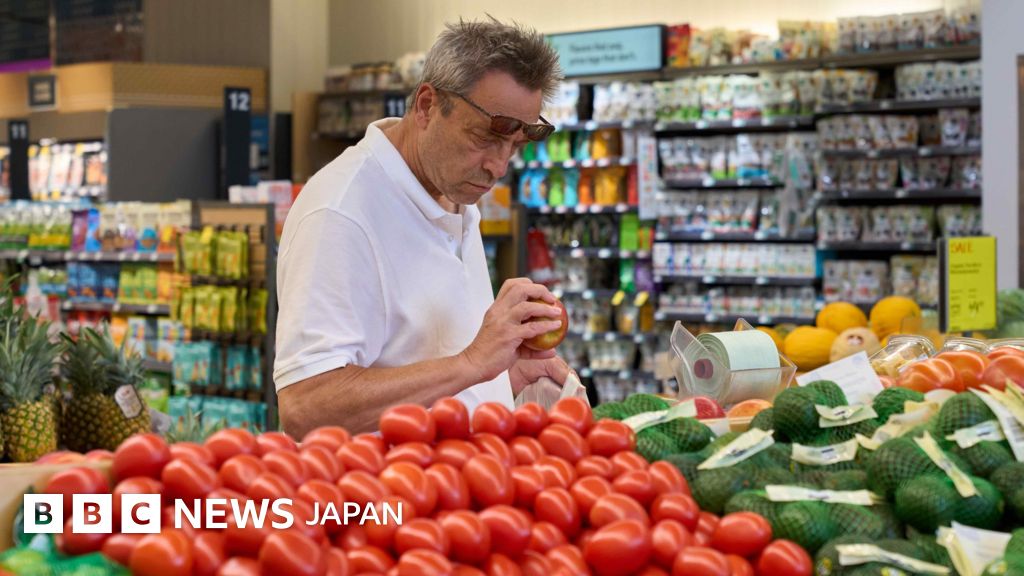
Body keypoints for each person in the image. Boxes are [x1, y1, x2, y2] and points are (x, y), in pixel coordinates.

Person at [274, 17, 571, 437]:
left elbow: (428, 359)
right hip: (379, 499)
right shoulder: (340, 214)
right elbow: (307, 405)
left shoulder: (451, 191)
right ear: (427, 106)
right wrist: (471, 363)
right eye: (484, 138)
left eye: (514, 146)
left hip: (453, 490)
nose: (498, 166)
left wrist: (499, 377)